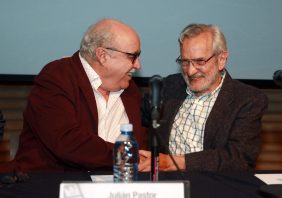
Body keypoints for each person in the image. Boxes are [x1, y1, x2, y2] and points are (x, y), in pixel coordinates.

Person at [0, 18, 145, 172]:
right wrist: (128, 156)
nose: (138, 65)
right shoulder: (57, 77)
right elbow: (66, 142)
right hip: (51, 185)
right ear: (102, 55)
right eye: (132, 56)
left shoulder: (130, 90)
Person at [139, 23, 268, 172]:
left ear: (221, 60)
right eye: (185, 62)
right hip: (168, 185)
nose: (191, 71)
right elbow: (137, 116)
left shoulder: (247, 99)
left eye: (200, 61)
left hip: (218, 186)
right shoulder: (168, 87)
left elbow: (239, 158)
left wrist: (173, 162)